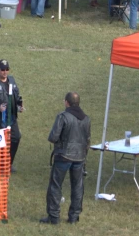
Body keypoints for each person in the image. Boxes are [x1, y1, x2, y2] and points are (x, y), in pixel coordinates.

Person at [41, 92, 90, 225]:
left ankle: (54, 216)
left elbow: (53, 137)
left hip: (63, 156)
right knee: (77, 187)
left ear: (67, 102)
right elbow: (87, 140)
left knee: (55, 186)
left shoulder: (63, 116)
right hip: (80, 157)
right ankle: (74, 217)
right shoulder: (86, 118)